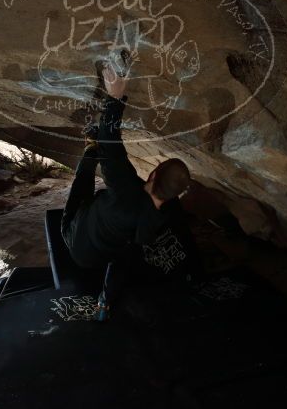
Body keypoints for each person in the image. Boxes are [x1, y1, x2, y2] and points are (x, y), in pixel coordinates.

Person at [61, 59, 191, 320]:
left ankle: (89, 147)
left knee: (82, 187)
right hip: (101, 255)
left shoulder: (126, 189)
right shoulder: (161, 217)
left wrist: (116, 97)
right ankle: (105, 302)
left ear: (153, 174)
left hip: (74, 239)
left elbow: (111, 142)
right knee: (124, 255)